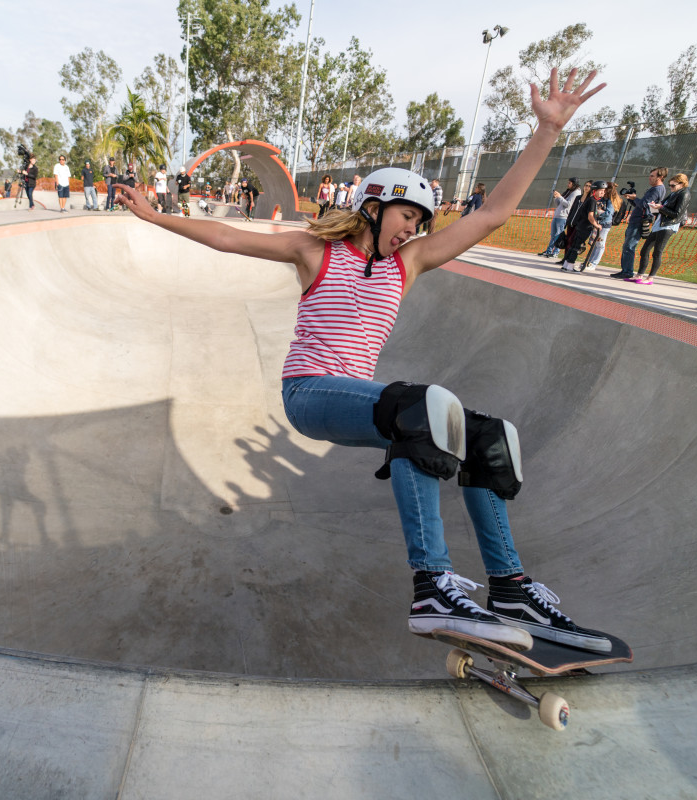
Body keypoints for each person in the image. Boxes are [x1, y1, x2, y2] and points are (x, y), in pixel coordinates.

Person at [112, 69, 612, 652]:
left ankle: (510, 588)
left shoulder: (411, 263)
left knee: (487, 437)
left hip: (365, 402)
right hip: (308, 394)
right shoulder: (313, 249)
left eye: (421, 224)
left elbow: (491, 215)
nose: (413, 230)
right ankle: (432, 584)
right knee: (422, 410)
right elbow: (227, 239)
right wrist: (155, 215)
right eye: (407, 217)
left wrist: (546, 132)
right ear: (373, 206)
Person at [628, 173, 690, 285]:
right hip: (659, 224)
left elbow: (676, 214)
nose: (670, 187)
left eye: (673, 185)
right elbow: (661, 207)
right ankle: (639, 275)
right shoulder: (673, 194)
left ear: (681, 184)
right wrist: (654, 206)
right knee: (645, 250)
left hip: (668, 225)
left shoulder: (684, 194)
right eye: (669, 185)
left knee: (657, 252)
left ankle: (650, 277)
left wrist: (660, 207)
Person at [610, 168, 667, 279]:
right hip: (637, 219)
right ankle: (625, 270)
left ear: (660, 178)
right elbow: (642, 204)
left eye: (652, 176)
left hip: (639, 221)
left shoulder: (657, 190)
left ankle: (627, 271)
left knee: (629, 246)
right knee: (627, 246)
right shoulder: (655, 189)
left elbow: (645, 204)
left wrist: (635, 198)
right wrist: (631, 199)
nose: (649, 177)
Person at [560, 180, 611, 272]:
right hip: (585, 227)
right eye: (601, 191)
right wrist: (597, 225)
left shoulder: (590, 200)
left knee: (574, 245)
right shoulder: (592, 201)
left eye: (604, 191)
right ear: (595, 191)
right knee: (576, 247)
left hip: (580, 226)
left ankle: (566, 265)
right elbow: (590, 216)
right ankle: (570, 265)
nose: (603, 193)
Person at [582, 182, 622, 271]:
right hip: (598, 223)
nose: (602, 192)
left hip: (605, 224)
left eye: (604, 190)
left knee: (600, 244)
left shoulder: (610, 201)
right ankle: (589, 261)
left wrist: (598, 214)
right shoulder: (602, 199)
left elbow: (608, 213)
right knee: (595, 243)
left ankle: (594, 263)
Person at [538, 178, 580, 257]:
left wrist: (560, 197)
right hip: (557, 215)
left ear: (574, 184)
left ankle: (556, 252)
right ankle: (549, 250)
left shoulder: (576, 193)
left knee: (559, 235)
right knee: (553, 235)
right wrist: (556, 197)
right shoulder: (568, 191)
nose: (568, 184)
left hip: (564, 216)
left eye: (569, 183)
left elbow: (568, 205)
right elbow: (559, 204)